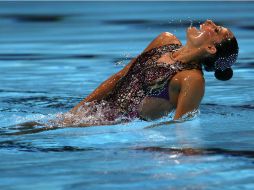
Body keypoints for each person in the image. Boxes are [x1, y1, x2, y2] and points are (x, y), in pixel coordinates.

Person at [16, 19, 238, 130]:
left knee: (30, 130)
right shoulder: (165, 41)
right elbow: (117, 78)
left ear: (211, 49)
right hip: (95, 114)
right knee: (31, 127)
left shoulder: (192, 79)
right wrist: (76, 110)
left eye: (216, 30)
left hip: (112, 128)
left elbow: (181, 126)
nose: (208, 23)